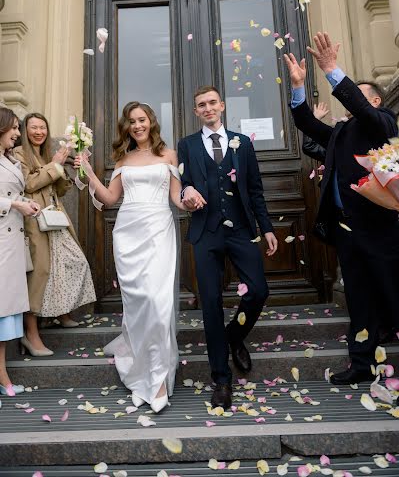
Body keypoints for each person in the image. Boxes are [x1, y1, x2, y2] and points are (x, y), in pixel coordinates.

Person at [284, 31, 399, 385]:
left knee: (393, 295)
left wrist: (333, 70)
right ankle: (361, 365)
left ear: (375, 102)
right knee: (358, 298)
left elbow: (363, 109)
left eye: (358, 95)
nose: (349, 100)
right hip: (347, 230)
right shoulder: (340, 132)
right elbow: (305, 123)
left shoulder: (382, 123)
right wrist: (299, 87)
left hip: (379, 229)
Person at [74, 101, 183, 413]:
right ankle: (140, 376)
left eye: (142, 119)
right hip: (128, 233)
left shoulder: (169, 155)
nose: (137, 125)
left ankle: (158, 380)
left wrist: (190, 201)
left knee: (157, 303)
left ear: (151, 122)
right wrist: (88, 172)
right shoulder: (123, 158)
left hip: (159, 230)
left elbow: (176, 196)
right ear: (127, 127)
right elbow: (110, 199)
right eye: (132, 121)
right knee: (137, 306)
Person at [178, 86, 278, 410]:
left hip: (241, 230)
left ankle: (234, 336)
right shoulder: (187, 145)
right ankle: (221, 380)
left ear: (222, 105)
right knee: (210, 302)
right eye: (200, 105)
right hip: (205, 232)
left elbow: (255, 190)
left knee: (258, 291)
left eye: (211, 103)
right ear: (196, 112)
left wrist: (267, 229)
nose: (207, 108)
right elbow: (181, 185)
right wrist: (187, 191)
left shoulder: (243, 143)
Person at [14, 113, 96, 356]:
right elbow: (28, 185)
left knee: (71, 261)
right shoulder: (19, 154)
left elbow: (58, 189)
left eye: (42, 127)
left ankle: (62, 312)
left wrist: (66, 169)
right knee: (40, 272)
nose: (39, 132)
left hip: (55, 217)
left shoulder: (46, 154)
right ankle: (31, 334)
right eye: (33, 128)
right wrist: (55, 165)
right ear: (24, 131)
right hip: (35, 220)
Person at [0, 107, 41, 395]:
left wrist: (26, 203)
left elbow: (13, 193)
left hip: (12, 242)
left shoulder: (10, 160)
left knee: (4, 316)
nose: (18, 133)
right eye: (13, 128)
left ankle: (2, 374)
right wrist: (15, 205)